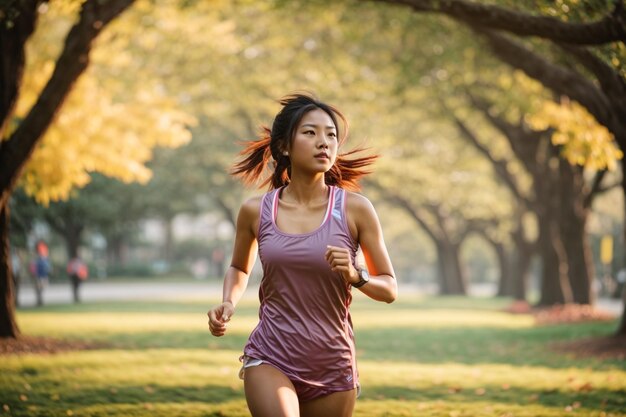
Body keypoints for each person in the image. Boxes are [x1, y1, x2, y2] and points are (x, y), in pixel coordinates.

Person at [207, 92, 397, 417]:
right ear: (284, 146)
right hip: (271, 353)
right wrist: (229, 300)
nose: (324, 142)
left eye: (331, 134)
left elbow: (389, 289)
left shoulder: (355, 209)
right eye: (310, 132)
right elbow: (240, 266)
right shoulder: (256, 211)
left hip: (333, 363)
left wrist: (356, 276)